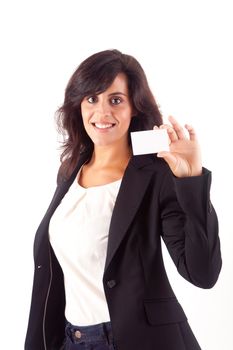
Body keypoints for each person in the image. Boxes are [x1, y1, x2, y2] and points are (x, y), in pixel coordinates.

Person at [25, 49, 222, 350]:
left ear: (134, 109)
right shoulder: (70, 171)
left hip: (136, 340)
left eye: (115, 100)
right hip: (71, 339)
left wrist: (191, 180)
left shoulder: (155, 175)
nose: (102, 112)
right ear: (78, 105)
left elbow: (202, 273)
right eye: (92, 98)